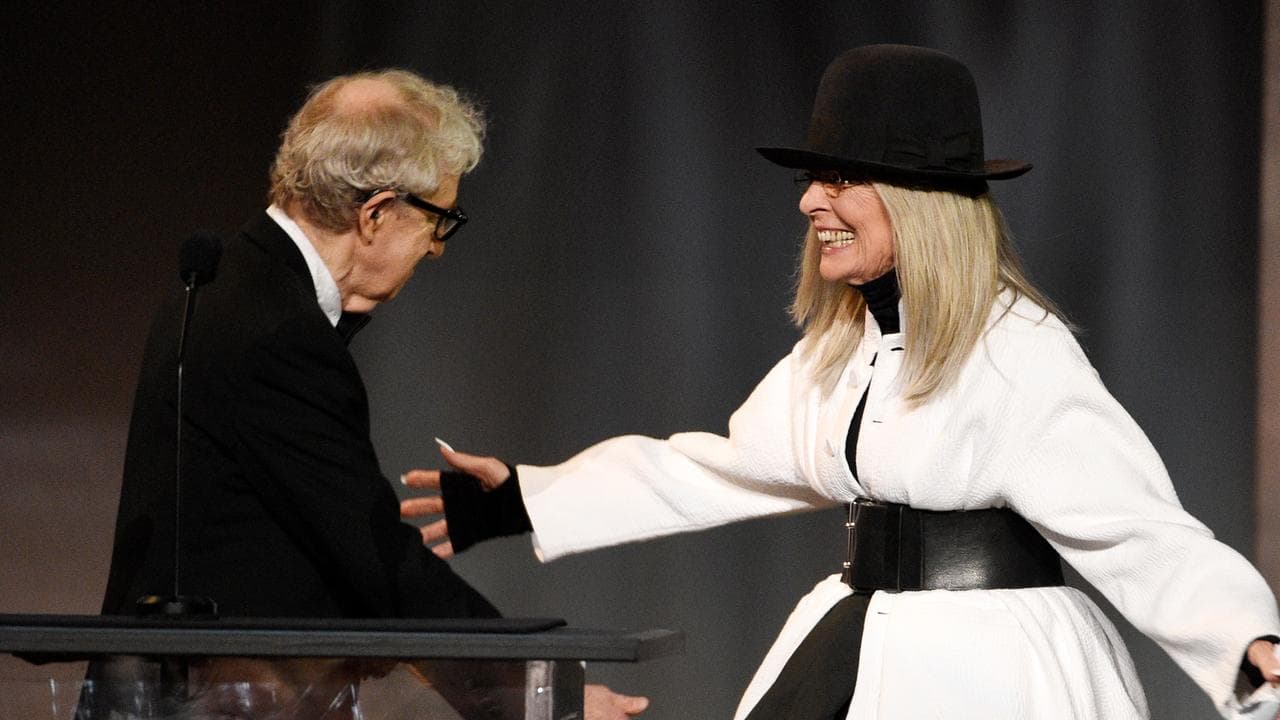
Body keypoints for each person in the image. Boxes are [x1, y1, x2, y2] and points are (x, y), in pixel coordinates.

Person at [402, 45, 1280, 719]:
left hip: (990, 673)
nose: (809, 202)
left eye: (842, 177)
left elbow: (1135, 530)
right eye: (811, 178)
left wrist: (1247, 639)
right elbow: (716, 467)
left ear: (922, 199)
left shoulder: (1017, 348)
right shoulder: (847, 343)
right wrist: (526, 499)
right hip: (862, 638)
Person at [95, 69, 647, 720]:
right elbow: (374, 560)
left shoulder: (230, 283)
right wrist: (546, 696)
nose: (438, 250)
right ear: (377, 213)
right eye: (441, 220)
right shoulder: (276, 332)